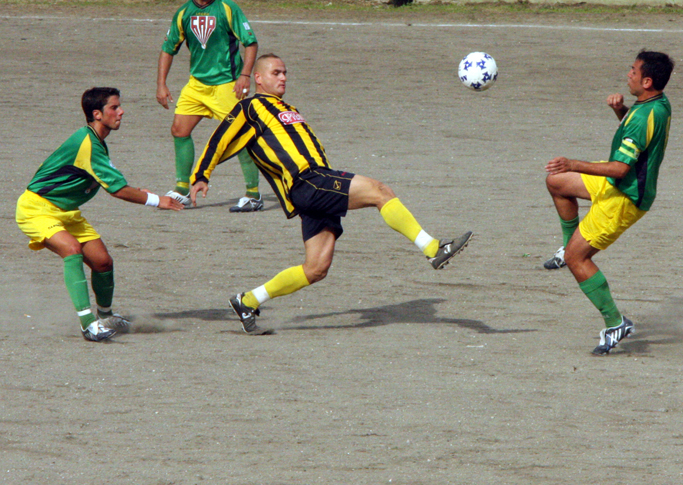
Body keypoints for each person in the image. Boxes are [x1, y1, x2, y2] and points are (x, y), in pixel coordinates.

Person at [189, 54, 473, 334]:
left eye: (285, 72)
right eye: (276, 73)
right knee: (379, 191)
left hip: (315, 185)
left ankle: (247, 301)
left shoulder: (286, 107)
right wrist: (201, 174)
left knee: (316, 269)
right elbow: (220, 138)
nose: (284, 77)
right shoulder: (250, 107)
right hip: (308, 181)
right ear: (258, 78)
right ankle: (433, 248)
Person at [15, 88, 184, 342]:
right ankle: (88, 325)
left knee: (103, 262)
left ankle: (105, 316)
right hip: (36, 209)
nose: (121, 111)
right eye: (114, 108)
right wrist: (156, 200)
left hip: (66, 212)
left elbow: (109, 181)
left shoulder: (96, 143)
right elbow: (116, 190)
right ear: (97, 114)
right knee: (72, 250)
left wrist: (136, 191)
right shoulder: (87, 144)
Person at [543, 50, 674, 355]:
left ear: (648, 80)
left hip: (625, 197)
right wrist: (621, 111)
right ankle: (568, 245)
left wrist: (573, 163)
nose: (628, 74)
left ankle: (616, 323)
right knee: (556, 182)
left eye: (633, 70)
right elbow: (639, 138)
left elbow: (620, 168)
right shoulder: (657, 103)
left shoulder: (641, 119)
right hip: (619, 183)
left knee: (580, 260)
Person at [156, 0, 263, 212]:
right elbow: (167, 49)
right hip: (197, 86)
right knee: (179, 130)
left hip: (227, 85)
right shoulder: (183, 13)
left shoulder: (227, 8)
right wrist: (161, 84)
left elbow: (251, 43)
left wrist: (245, 74)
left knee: (241, 137)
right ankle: (182, 188)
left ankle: (254, 194)